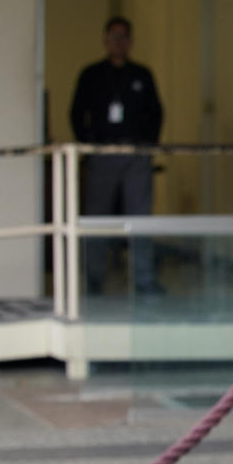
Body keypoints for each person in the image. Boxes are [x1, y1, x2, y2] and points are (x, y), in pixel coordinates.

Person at [69, 16, 163, 294]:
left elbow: (156, 114)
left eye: (124, 37)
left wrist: (147, 146)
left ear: (130, 42)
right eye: (114, 37)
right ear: (105, 40)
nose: (118, 42)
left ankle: (144, 280)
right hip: (102, 156)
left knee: (140, 219)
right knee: (97, 219)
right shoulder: (91, 75)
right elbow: (76, 113)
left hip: (135, 155)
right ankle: (94, 279)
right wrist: (89, 145)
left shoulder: (141, 75)